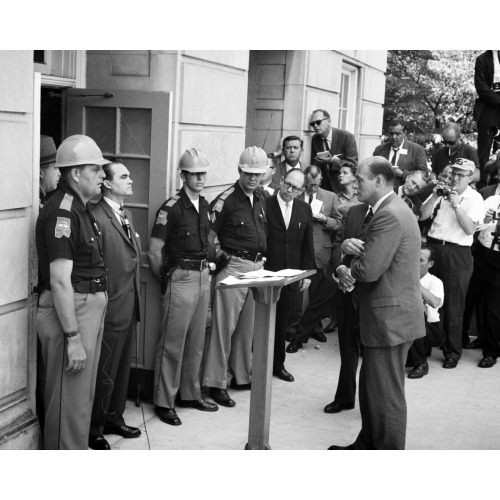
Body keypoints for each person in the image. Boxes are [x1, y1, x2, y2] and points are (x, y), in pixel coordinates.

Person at [328, 156, 425, 450]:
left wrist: (346, 270)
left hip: (390, 320)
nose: (354, 183)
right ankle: (367, 445)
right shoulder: (388, 209)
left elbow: (370, 269)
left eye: (360, 179)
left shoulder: (389, 214)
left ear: (379, 182)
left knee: (386, 395)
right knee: (373, 389)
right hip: (385, 317)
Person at [36, 134, 109, 449]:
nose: (103, 176)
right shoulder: (63, 212)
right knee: (68, 403)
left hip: (85, 307)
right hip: (72, 311)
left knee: (80, 401)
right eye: (96, 169)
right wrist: (73, 338)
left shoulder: (80, 207)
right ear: (76, 173)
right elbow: (60, 280)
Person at [147, 149, 218, 426]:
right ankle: (164, 401)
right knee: (172, 344)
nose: (200, 178)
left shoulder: (204, 205)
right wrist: (168, 281)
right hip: (181, 278)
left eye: (203, 173)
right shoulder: (171, 208)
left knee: (197, 341)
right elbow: (154, 252)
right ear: (183, 175)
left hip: (202, 278)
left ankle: (190, 393)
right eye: (195, 174)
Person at [202, 146, 268, 405]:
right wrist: (221, 259)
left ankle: (242, 374)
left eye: (258, 174)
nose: (253, 178)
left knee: (246, 328)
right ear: (239, 170)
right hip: (234, 268)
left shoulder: (261, 197)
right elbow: (207, 238)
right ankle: (216, 382)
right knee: (223, 328)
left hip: (257, 268)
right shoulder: (225, 199)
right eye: (248, 173)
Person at [88, 160, 142, 449]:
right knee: (104, 368)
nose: (130, 180)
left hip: (129, 302)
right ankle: (95, 426)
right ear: (107, 183)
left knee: (121, 368)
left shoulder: (126, 214)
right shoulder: (96, 215)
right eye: (123, 176)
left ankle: (114, 417)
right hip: (109, 304)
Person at [420, 158, 485, 368]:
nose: (455, 178)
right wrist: (434, 196)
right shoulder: (442, 191)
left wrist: (457, 205)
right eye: (453, 173)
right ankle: (425, 343)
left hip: (457, 251)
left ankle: (451, 351)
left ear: (470, 177)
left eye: (461, 174)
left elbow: (469, 229)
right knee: (424, 295)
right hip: (434, 247)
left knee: (453, 305)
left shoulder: (475, 199)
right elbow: (423, 215)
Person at [286, 165, 342, 353]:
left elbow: (339, 223)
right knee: (298, 298)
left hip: (321, 253)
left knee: (318, 297)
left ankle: (315, 329)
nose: (312, 189)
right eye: (309, 185)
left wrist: (325, 220)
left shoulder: (330, 197)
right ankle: (294, 331)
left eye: (315, 185)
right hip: (299, 252)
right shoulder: (296, 194)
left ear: (321, 182)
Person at [265, 169, 314, 381]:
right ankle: (255, 365)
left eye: (295, 188)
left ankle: (278, 364)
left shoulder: (304, 209)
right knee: (261, 321)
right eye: (287, 184)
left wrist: (307, 274)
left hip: (290, 275)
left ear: (301, 191)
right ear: (281, 181)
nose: (289, 190)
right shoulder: (265, 205)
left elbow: (307, 243)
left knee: (282, 321)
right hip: (266, 273)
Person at [461, 193, 500, 368]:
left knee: (493, 308)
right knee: (470, 300)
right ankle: (464, 339)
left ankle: (491, 352)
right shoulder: (492, 201)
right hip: (483, 255)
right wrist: (486, 219)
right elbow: (477, 227)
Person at [406, 245, 445, 379]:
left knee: (415, 315)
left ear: (430, 264)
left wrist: (415, 283)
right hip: (403, 327)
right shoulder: (401, 277)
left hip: (430, 330)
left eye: (421, 260)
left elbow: (435, 302)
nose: (415, 263)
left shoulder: (435, 281)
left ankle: (421, 364)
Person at [309, 109, 358, 193]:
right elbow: (314, 163)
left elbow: (353, 164)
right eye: (312, 124)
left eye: (318, 122)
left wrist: (332, 161)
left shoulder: (346, 137)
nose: (315, 126)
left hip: (342, 188)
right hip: (323, 188)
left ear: (329, 121)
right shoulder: (315, 138)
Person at [373, 119, 427, 192]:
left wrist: (402, 174)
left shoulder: (416, 150)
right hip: (381, 192)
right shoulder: (380, 150)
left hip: (405, 193)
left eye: (397, 134)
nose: (394, 137)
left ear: (404, 133)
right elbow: (372, 170)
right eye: (391, 134)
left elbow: (423, 174)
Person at [474, 50, 500, 184]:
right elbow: (481, 87)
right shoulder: (482, 59)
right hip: (488, 106)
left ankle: (496, 183)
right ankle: (482, 184)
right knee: (484, 148)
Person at [39, 135, 61, 208]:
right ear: (40, 172)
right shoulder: (36, 202)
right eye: (55, 168)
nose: (59, 174)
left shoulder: (43, 198)